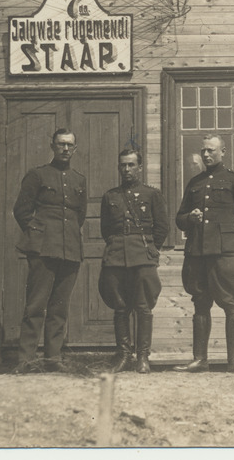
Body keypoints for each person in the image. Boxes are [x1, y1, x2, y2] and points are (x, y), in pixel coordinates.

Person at [173, 134, 234, 373]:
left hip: (225, 255)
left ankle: (233, 362)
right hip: (197, 253)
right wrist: (190, 218)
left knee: (231, 303)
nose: (206, 155)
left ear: (223, 152)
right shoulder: (195, 183)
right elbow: (179, 219)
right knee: (200, 303)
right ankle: (200, 360)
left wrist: (228, 236)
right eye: (203, 151)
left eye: (211, 150)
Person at [13, 128, 87, 372]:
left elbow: (80, 214)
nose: (65, 149)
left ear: (75, 149)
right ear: (52, 146)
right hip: (43, 250)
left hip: (70, 250)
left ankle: (53, 358)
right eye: (61, 144)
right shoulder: (37, 175)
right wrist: (38, 232)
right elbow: (22, 210)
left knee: (59, 307)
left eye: (69, 145)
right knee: (36, 306)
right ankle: (26, 360)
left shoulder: (79, 179)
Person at [98, 149, 169, 374]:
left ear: (140, 167)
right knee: (120, 307)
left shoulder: (152, 194)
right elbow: (106, 230)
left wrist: (149, 250)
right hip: (117, 256)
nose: (127, 170)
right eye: (123, 166)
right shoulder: (111, 196)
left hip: (142, 256)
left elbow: (162, 227)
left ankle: (143, 357)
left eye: (131, 165)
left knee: (143, 307)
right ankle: (124, 355)